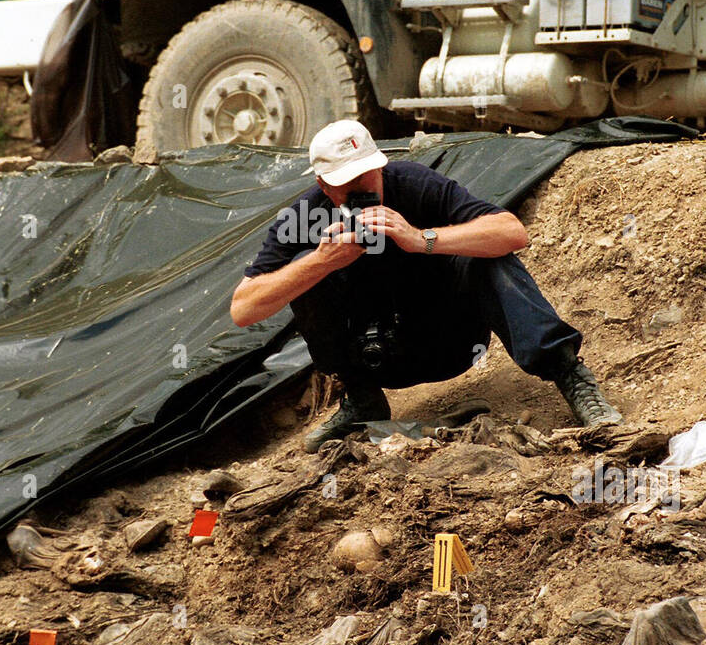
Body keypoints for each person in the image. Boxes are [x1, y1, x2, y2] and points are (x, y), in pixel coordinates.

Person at [230, 119, 621, 452]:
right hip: (380, 357)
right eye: (345, 183)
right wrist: (322, 260)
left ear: (380, 166)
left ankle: (569, 375)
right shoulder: (305, 215)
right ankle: (362, 401)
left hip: (451, 342)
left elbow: (511, 232)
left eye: (366, 175)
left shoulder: (413, 183)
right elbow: (243, 310)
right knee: (302, 271)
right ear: (323, 185)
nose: (361, 189)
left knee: (484, 253)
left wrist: (422, 239)